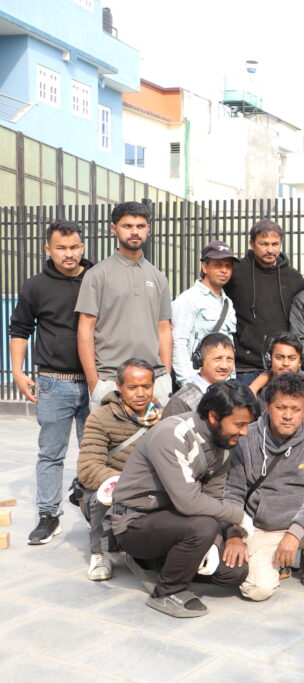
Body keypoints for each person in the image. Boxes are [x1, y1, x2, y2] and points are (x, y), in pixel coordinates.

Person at [112, 382, 258, 618]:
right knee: (203, 526)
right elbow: (188, 502)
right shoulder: (172, 434)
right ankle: (166, 592)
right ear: (214, 416)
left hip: (178, 523)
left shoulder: (223, 444)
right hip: (135, 523)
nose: (244, 432)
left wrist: (216, 543)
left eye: (247, 425)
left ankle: (160, 563)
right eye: (239, 424)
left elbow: (213, 499)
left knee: (234, 572)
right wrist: (239, 516)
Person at [223, 373, 304, 599]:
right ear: (267, 405)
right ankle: (278, 560)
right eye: (280, 407)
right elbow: (233, 491)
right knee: (257, 591)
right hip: (261, 527)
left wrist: (294, 534)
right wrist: (234, 533)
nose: (288, 416)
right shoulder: (247, 438)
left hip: (303, 526)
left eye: (295, 409)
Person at [8, 219, 93, 545]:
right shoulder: (35, 286)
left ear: (82, 246)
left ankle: (97, 512)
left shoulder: (96, 277)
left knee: (95, 453)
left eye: (74, 247)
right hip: (54, 383)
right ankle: (48, 515)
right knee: (51, 454)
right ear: (48, 249)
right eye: (61, 248)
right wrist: (17, 372)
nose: (69, 254)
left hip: (94, 381)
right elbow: (20, 329)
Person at [76, 201, 173, 411]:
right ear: (114, 228)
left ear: (148, 228)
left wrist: (165, 376)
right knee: (110, 435)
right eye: (127, 226)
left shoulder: (158, 277)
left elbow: (164, 329)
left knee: (158, 434)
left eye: (140, 226)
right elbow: (85, 329)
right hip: (111, 380)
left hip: (154, 382)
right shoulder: (97, 275)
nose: (134, 231)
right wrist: (94, 383)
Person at [76, 358, 161, 581]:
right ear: (119, 386)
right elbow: (88, 468)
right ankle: (99, 553)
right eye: (132, 387)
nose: (140, 393)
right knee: (103, 496)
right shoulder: (100, 417)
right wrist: (128, 482)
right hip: (115, 486)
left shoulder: (163, 417)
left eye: (146, 386)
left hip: (151, 487)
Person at [225, 219, 304, 386]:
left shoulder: (294, 278)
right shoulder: (236, 272)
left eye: (275, 244)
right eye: (264, 244)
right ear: (252, 244)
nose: (270, 249)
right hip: (245, 366)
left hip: (281, 366)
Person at [171, 240, 238, 384]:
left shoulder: (228, 303)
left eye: (228, 266)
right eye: (218, 265)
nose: (224, 270)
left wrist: (231, 381)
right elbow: (178, 343)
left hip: (224, 384)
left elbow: (229, 345)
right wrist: (189, 383)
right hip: (197, 381)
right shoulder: (188, 299)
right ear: (205, 267)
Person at [162, 333, 236, 418]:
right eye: (217, 359)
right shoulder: (180, 401)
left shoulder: (234, 395)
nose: (224, 366)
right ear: (199, 360)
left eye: (229, 359)